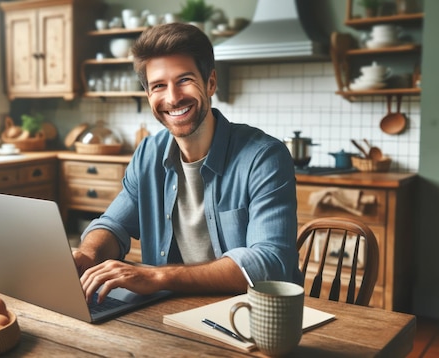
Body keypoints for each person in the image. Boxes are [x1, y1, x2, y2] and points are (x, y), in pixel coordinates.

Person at [73, 22, 302, 303]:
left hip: (251, 316)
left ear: (211, 83)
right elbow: (113, 225)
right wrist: (88, 254)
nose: (172, 98)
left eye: (184, 80)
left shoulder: (264, 157)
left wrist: (158, 277)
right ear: (148, 96)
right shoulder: (148, 154)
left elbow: (269, 263)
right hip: (169, 317)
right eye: (159, 86)